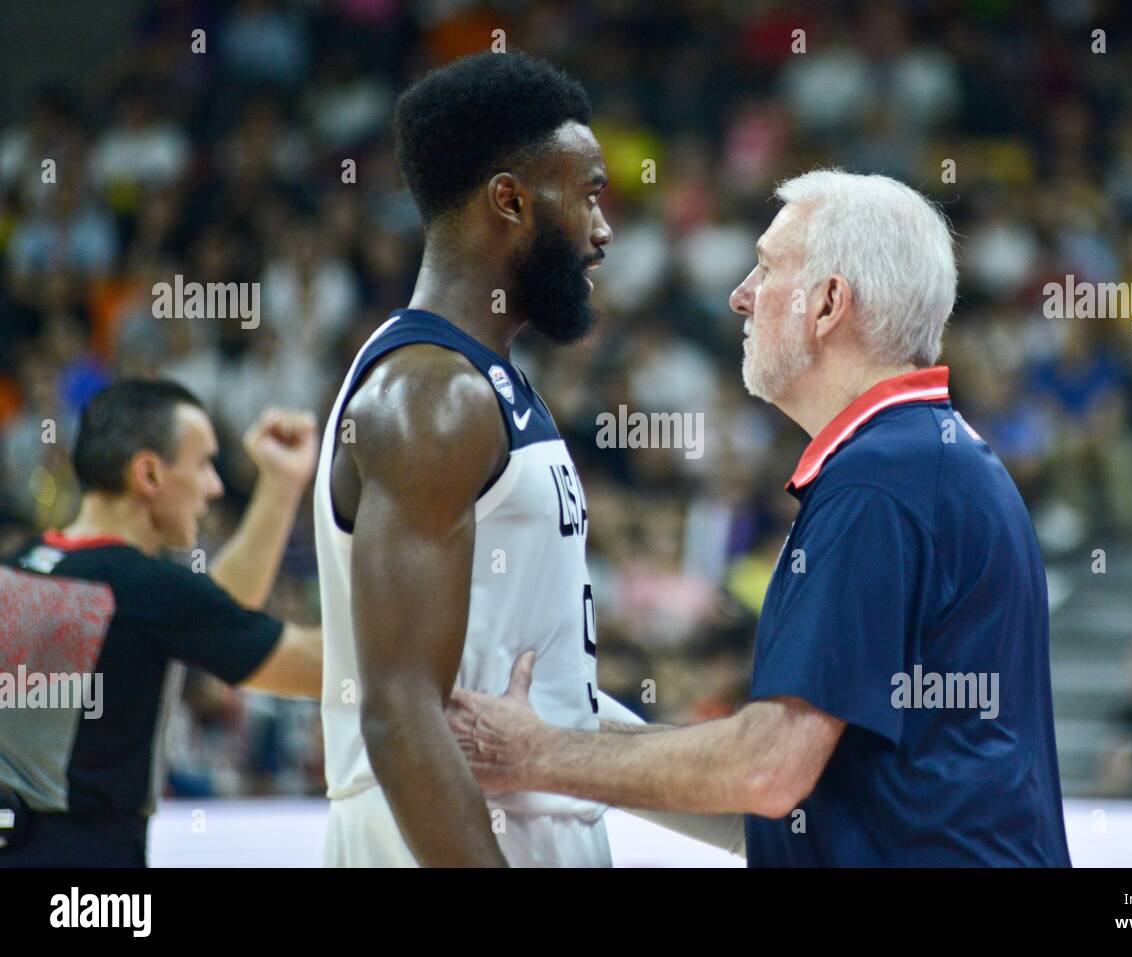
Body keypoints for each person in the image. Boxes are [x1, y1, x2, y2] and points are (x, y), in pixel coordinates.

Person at [449, 170, 1073, 867]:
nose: (739, 294)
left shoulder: (881, 480)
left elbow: (769, 769)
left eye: (767, 267)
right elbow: (799, 800)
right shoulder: (921, 459)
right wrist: (572, 725)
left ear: (830, 302)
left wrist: (538, 753)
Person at [316, 51, 616, 867]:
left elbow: (552, 687)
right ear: (509, 200)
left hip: (531, 821)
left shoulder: (487, 381)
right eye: (589, 193)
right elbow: (400, 710)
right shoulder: (431, 396)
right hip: (450, 837)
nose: (603, 228)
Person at [0, 379, 323, 866]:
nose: (215, 486)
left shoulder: (27, 560)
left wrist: (280, 484)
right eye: (202, 464)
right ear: (149, 473)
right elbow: (316, 667)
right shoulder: (144, 590)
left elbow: (212, 614)